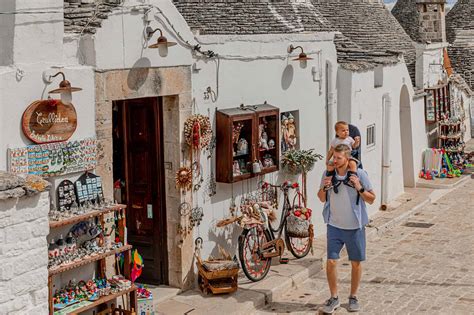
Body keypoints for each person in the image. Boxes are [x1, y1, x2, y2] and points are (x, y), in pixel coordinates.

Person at [317, 144, 376, 313]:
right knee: (331, 262)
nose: (334, 161)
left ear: (347, 159)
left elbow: (371, 199)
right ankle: (334, 297)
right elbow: (321, 198)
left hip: (354, 227)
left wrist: (359, 186)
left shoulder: (360, 174)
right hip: (334, 226)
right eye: (333, 157)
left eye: (338, 158)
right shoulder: (328, 174)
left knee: (356, 264)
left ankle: (353, 296)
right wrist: (324, 187)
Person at [325, 121, 359, 192]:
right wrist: (327, 159)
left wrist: (356, 142)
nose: (346, 132)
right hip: (338, 158)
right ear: (337, 133)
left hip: (348, 157)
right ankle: (331, 182)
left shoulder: (349, 139)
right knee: (330, 166)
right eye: (343, 130)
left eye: (347, 130)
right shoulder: (335, 141)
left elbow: (354, 146)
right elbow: (331, 151)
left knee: (352, 163)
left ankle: (351, 179)